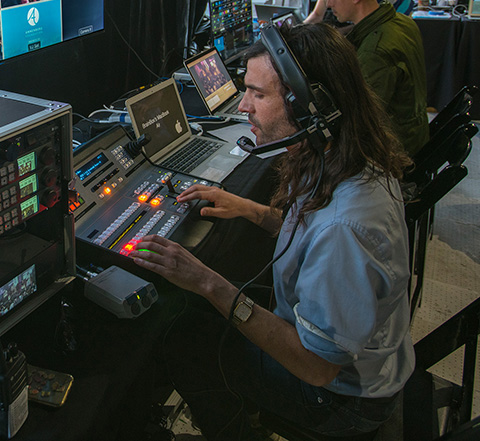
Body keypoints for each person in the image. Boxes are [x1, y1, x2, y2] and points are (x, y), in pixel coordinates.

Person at [132, 23, 414, 440]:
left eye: (258, 94)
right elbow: (312, 234)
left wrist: (208, 282)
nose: (243, 105)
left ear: (308, 107)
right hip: (358, 361)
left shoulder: (347, 228)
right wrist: (253, 210)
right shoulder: (341, 153)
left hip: (340, 399)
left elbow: (317, 367)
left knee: (184, 339)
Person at [327, 0, 429, 156]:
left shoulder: (375, 51)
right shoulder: (403, 22)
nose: (329, 3)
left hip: (395, 146)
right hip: (415, 131)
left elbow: (362, 117)